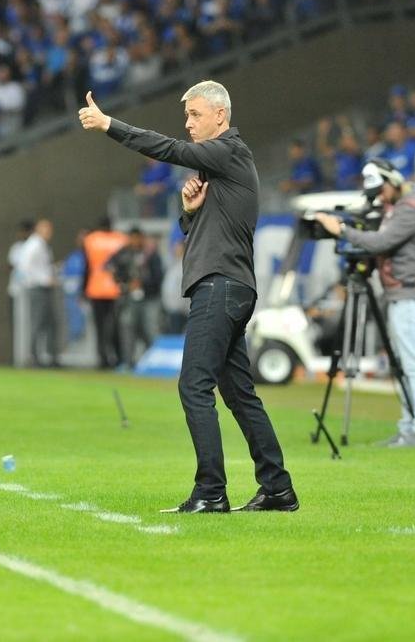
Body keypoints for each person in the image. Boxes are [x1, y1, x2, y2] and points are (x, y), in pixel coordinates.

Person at [79, 80, 297, 514]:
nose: (188, 124)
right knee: (238, 394)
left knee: (194, 385)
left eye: (195, 115)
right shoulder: (220, 170)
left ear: (221, 115)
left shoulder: (229, 151)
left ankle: (210, 491)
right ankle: (277, 488)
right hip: (230, 285)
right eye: (187, 115)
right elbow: (201, 234)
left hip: (220, 286)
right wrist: (190, 212)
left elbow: (168, 149)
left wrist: (109, 125)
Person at [314, 158, 415, 448]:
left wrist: (342, 230)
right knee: (407, 366)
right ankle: (411, 429)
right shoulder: (407, 201)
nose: (380, 199)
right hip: (405, 294)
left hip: (411, 294)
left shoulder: (409, 208)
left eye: (381, 192)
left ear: (391, 181)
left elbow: (382, 242)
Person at [107, 227, 164, 369]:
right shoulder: (124, 252)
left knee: (150, 330)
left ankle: (152, 362)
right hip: (129, 299)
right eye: (132, 238)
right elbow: (109, 266)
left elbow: (158, 276)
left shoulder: (150, 253)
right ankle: (127, 362)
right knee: (127, 329)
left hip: (149, 299)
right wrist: (123, 282)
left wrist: (143, 283)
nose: (134, 241)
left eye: (137, 238)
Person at [81, 218, 127, 369]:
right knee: (116, 327)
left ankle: (102, 359)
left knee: (100, 328)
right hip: (116, 289)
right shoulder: (121, 239)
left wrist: (83, 289)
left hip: (96, 288)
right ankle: (119, 357)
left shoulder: (91, 240)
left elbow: (87, 267)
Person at [17, 218, 59, 368]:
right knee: (37, 322)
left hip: (43, 287)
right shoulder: (34, 245)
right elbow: (24, 267)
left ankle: (51, 356)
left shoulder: (42, 245)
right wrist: (44, 279)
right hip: (37, 288)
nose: (49, 233)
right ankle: (33, 357)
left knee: (50, 323)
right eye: (46, 229)